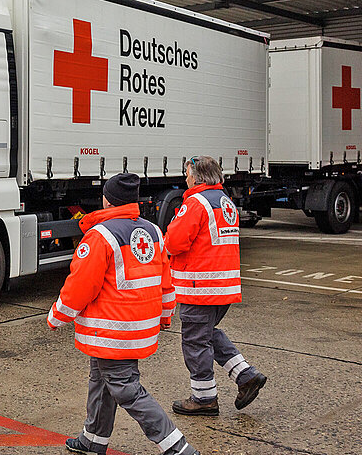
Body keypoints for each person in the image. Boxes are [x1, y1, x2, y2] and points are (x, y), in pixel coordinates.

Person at [48, 173, 199, 455]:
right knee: (101, 381)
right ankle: (93, 440)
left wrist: (58, 315)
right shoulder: (153, 231)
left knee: (126, 389)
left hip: (111, 331)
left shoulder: (100, 236)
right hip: (138, 328)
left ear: (106, 200)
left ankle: (177, 448)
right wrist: (166, 315)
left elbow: (80, 286)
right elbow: (166, 281)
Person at [165, 156, 266, 416]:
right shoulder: (225, 202)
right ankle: (245, 375)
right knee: (208, 334)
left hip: (200, 287)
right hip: (223, 287)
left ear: (197, 177)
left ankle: (203, 398)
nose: (185, 178)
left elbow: (174, 243)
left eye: (187, 173)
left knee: (195, 342)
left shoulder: (196, 203)